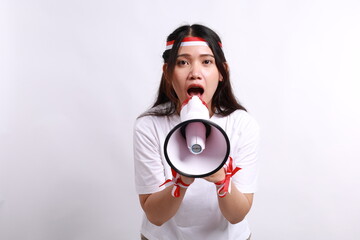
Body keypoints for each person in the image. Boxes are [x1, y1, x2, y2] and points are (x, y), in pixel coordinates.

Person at [133, 24, 260, 240]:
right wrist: (181, 181)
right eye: (182, 62)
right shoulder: (149, 127)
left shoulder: (242, 125)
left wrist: (221, 178)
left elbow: (237, 215)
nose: (194, 73)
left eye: (207, 62)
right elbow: (154, 215)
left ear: (222, 72)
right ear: (167, 72)